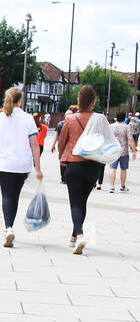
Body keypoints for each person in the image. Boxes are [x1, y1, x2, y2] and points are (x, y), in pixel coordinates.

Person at [0, 87, 42, 247]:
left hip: (5, 163)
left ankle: (9, 228)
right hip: (22, 165)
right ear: (20, 100)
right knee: (15, 196)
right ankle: (10, 227)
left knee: (6, 196)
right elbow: (35, 144)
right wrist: (38, 168)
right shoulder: (28, 119)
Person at [56, 86, 104, 253]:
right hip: (93, 166)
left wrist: (62, 158)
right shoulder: (100, 119)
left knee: (75, 203)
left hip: (74, 164)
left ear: (78, 101)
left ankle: (80, 234)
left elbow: (62, 142)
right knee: (82, 201)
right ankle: (74, 235)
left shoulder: (70, 120)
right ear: (94, 101)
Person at [108, 111, 135, 193]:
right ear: (124, 118)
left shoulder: (111, 126)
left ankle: (112, 187)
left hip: (113, 150)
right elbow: (130, 139)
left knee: (113, 168)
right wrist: (134, 150)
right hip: (124, 151)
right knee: (123, 169)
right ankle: (122, 186)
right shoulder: (127, 127)